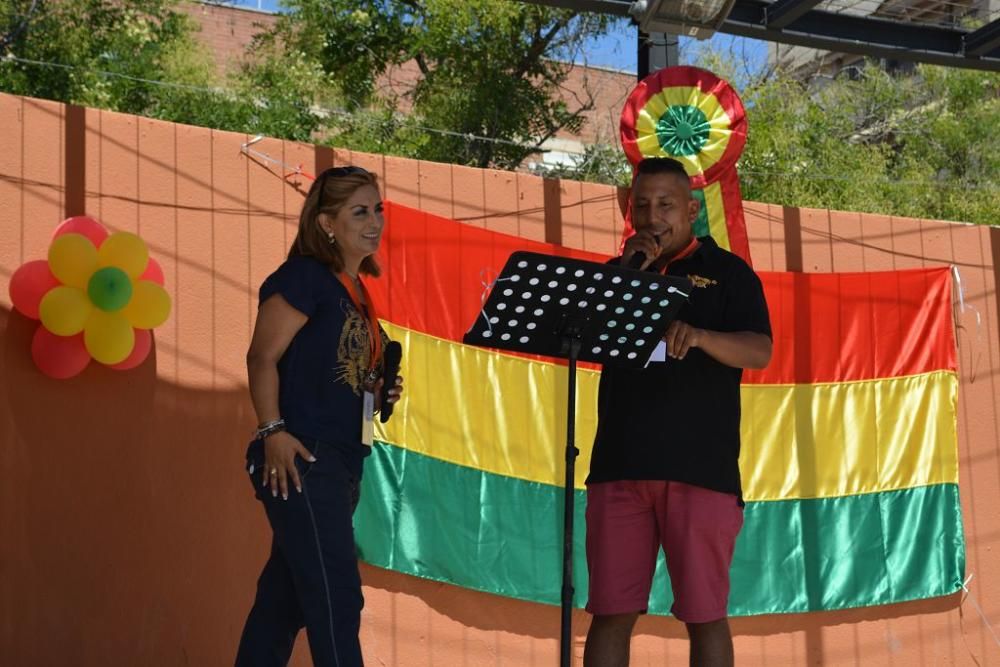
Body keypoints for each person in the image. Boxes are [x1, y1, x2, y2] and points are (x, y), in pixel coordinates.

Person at [583, 157, 772, 667]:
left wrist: (704, 337)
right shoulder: (618, 273)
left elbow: (760, 351)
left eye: (665, 204)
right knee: (610, 613)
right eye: (641, 205)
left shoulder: (729, 274)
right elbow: (582, 335)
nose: (652, 217)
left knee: (704, 614)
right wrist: (628, 272)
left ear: (691, 209)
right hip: (619, 469)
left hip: (700, 472)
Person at [235, 166, 403, 667]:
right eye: (359, 211)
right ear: (326, 222)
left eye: (378, 210)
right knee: (337, 596)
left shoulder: (355, 291)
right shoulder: (303, 276)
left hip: (342, 462)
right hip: (303, 456)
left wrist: (376, 387)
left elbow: (334, 373)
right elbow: (261, 357)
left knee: (281, 606)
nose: (374, 221)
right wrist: (273, 432)